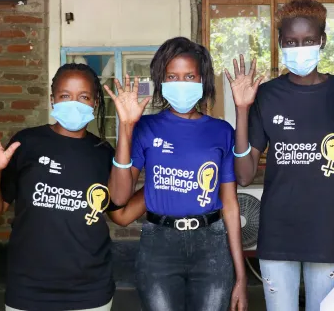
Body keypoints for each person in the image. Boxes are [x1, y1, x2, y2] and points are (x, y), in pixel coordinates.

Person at [0, 63, 147, 310]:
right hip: (28, 289)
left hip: (90, 290)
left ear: (94, 103)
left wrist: (127, 127)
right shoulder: (26, 144)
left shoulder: (103, 153)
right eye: (65, 96)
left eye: (84, 97)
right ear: (53, 101)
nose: (74, 103)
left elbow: (119, 203)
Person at [225, 0, 334, 311]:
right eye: (291, 42)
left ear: (323, 41)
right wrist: (242, 111)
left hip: (329, 235)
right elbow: (245, 174)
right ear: (280, 44)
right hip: (277, 235)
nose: (300, 48)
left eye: (309, 41)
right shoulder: (268, 95)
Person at [105, 36, 247, 311]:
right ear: (161, 81)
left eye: (190, 76)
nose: (181, 83)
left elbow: (230, 204)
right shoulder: (145, 127)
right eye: (172, 76)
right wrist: (126, 127)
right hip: (159, 244)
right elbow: (120, 197)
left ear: (202, 80)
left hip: (212, 245)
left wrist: (240, 276)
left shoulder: (221, 131)